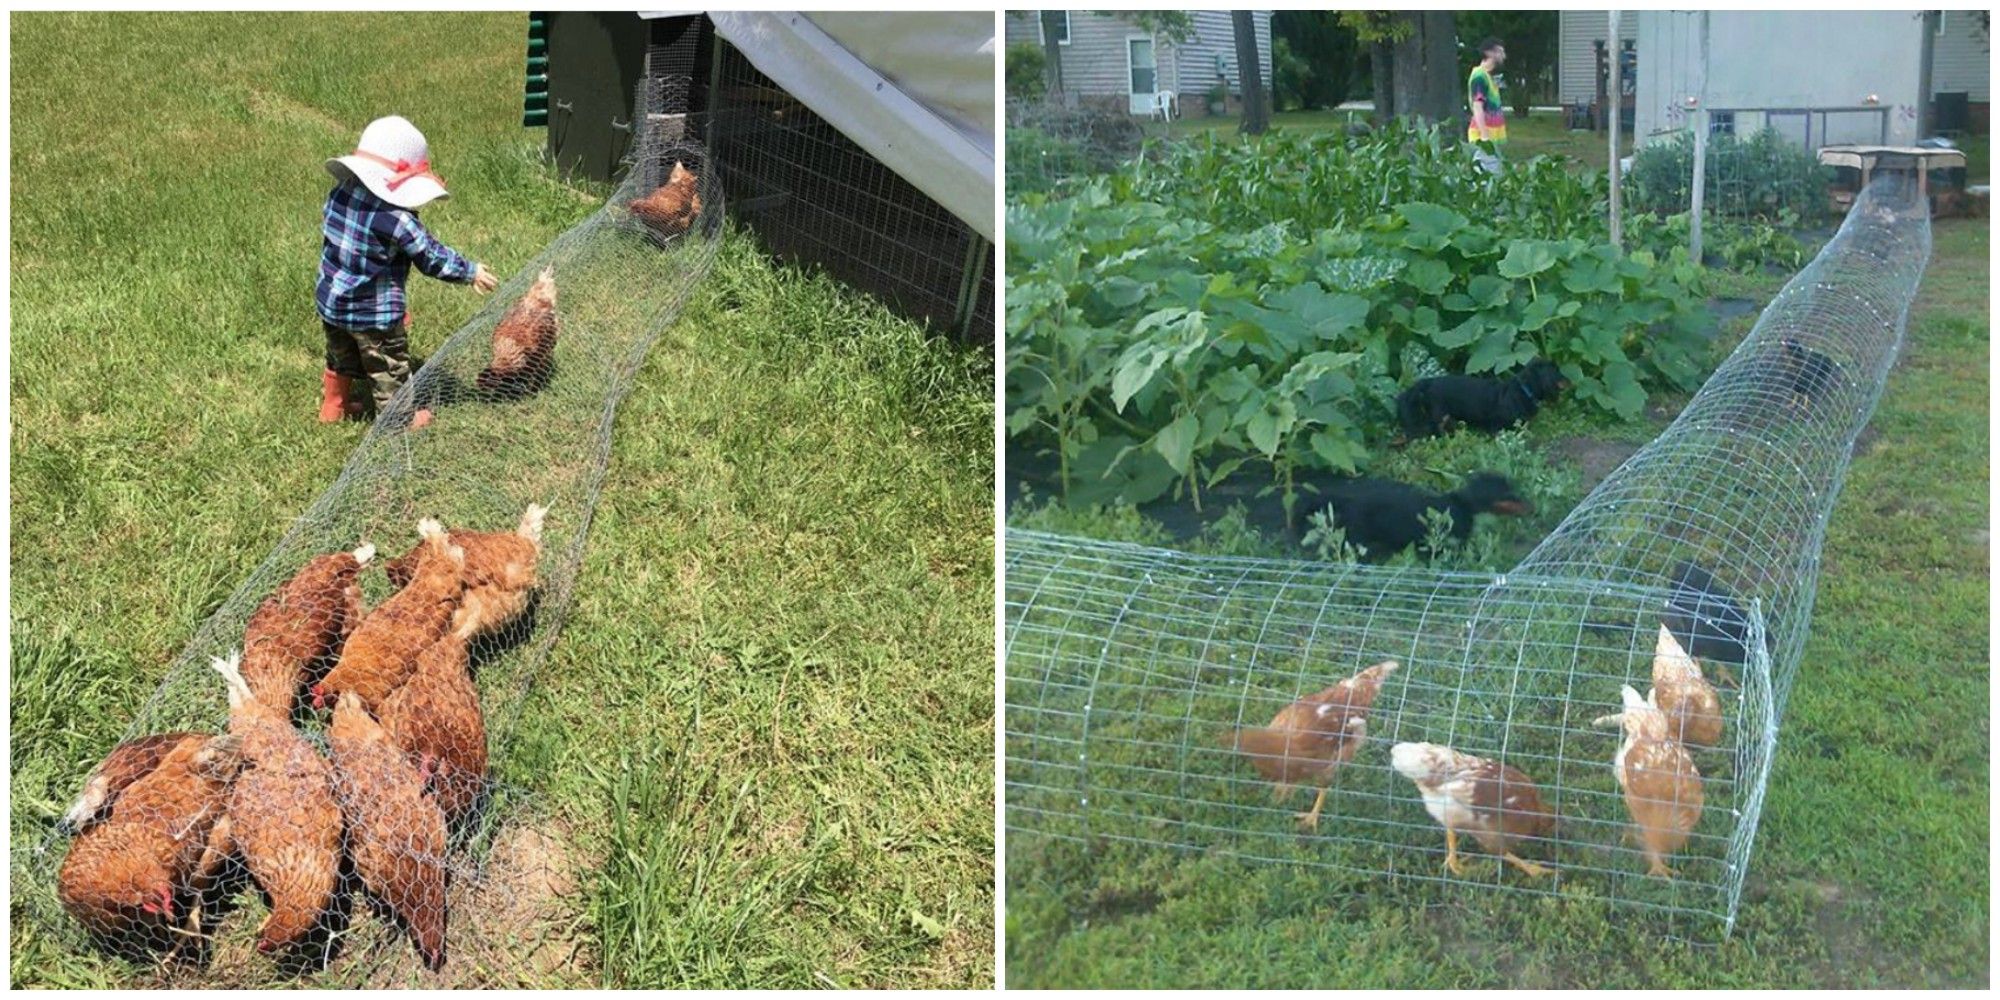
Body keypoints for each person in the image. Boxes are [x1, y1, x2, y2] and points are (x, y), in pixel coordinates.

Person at [317, 115, 498, 426]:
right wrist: (470, 271)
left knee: (340, 356)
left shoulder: (340, 193)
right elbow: (431, 256)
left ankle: (333, 406)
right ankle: (399, 421)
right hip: (374, 315)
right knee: (388, 369)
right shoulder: (397, 220)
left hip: (331, 303)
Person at [1467, 38, 1507, 174]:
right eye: (1500, 52)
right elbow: (1477, 107)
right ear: (1489, 53)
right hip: (1483, 140)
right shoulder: (1479, 76)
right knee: (1489, 179)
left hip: (1491, 139)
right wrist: (1484, 137)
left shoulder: (1488, 77)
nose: (1504, 56)